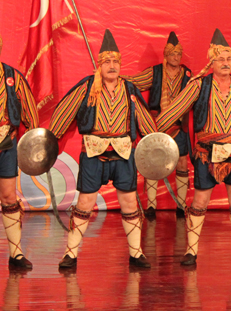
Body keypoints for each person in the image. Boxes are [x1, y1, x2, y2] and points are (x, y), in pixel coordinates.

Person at [157, 29, 231, 266]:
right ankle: (191, 251)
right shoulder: (199, 86)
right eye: (220, 59)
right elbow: (174, 112)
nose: (226, 63)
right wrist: (151, 133)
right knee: (199, 202)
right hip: (207, 154)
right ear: (211, 62)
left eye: (229, 59)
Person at [49, 30, 156, 269]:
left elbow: (144, 120)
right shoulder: (87, 86)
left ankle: (136, 253)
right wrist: (50, 141)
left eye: (115, 61)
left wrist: (155, 145)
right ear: (99, 64)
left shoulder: (129, 89)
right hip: (93, 153)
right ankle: (70, 254)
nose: (112, 66)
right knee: (85, 202)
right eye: (107, 62)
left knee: (129, 202)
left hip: (123, 153)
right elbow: (65, 111)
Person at [124, 32, 192, 219]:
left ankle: (181, 205)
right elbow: (135, 82)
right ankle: (151, 206)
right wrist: (116, 79)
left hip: (178, 125)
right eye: (173, 54)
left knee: (182, 161)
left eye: (179, 54)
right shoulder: (155, 72)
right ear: (166, 55)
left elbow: (196, 93)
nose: (176, 57)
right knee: (153, 161)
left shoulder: (187, 75)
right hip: (156, 124)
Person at [0, 34, 39, 269]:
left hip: (6, 143)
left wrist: (35, 142)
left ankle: (16, 253)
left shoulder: (12, 77)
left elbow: (29, 112)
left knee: (8, 197)